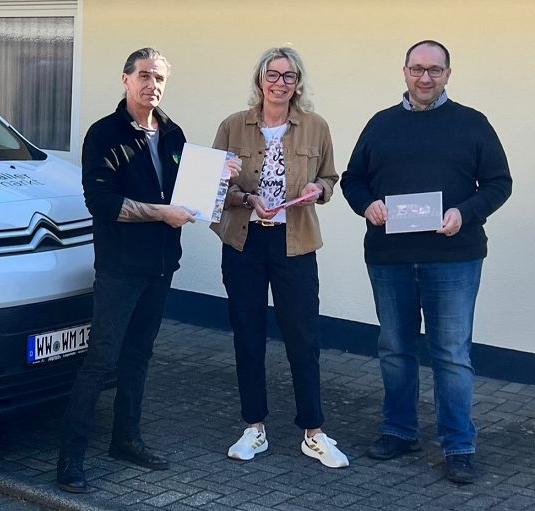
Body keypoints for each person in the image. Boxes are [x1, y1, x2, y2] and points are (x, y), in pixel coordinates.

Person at [57, 48, 236, 493]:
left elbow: (187, 193)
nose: (151, 85)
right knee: (101, 360)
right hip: (120, 268)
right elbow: (102, 204)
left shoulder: (173, 133)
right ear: (125, 79)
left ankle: (126, 439)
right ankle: (70, 459)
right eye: (143, 76)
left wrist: (220, 178)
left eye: (158, 78)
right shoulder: (104, 135)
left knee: (139, 357)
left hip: (161, 266)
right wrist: (161, 213)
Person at [341, 40, 511, 485]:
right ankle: (399, 431)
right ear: (404, 72)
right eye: (417, 69)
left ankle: (458, 445)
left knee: (451, 354)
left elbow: (498, 182)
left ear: (448, 74)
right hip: (390, 257)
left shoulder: (472, 124)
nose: (425, 78)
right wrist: (368, 205)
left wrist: (465, 212)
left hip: (453, 258)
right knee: (395, 349)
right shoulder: (381, 124)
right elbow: (352, 179)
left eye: (435, 70)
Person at [210, 48, 347, 469]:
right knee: (247, 335)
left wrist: (317, 192)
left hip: (296, 242)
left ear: (298, 84)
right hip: (245, 242)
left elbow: (329, 177)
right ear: (259, 80)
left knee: (303, 338)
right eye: (273, 74)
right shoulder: (233, 126)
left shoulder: (315, 126)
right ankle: (254, 427)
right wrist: (248, 198)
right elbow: (211, 186)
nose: (280, 82)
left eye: (289, 76)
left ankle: (314, 431)